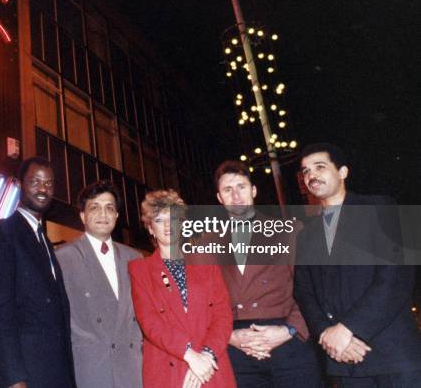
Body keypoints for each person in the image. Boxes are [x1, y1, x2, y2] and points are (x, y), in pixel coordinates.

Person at [295, 143, 421, 387]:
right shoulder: (306, 235)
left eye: (319, 167)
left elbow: (395, 277)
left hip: (392, 354)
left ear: (343, 172)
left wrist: (349, 329)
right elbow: (304, 292)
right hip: (343, 360)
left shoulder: (380, 208)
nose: (311, 175)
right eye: (306, 171)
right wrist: (326, 334)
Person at [214, 160, 323, 387]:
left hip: (287, 344)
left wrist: (289, 330)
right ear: (219, 198)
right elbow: (205, 302)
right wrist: (228, 336)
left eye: (241, 187)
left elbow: (310, 288)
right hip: (237, 348)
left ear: (253, 191)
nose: (236, 195)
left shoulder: (288, 232)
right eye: (228, 189)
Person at [0, 157, 75, 388]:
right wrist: (15, 378)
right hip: (26, 375)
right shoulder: (4, 233)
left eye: (49, 183)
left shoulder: (43, 239)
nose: (43, 189)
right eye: (35, 181)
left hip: (55, 373)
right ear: (19, 184)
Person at [129, 189, 236, 388]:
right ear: (150, 228)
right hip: (167, 369)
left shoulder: (207, 261)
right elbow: (149, 322)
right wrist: (190, 356)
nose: (168, 225)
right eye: (159, 220)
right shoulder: (139, 269)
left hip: (210, 366)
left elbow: (222, 314)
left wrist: (205, 356)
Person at [56, 180, 143, 388]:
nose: (103, 214)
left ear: (117, 216)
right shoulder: (63, 258)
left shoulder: (135, 258)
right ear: (83, 216)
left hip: (132, 369)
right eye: (94, 207)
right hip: (90, 370)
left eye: (109, 208)